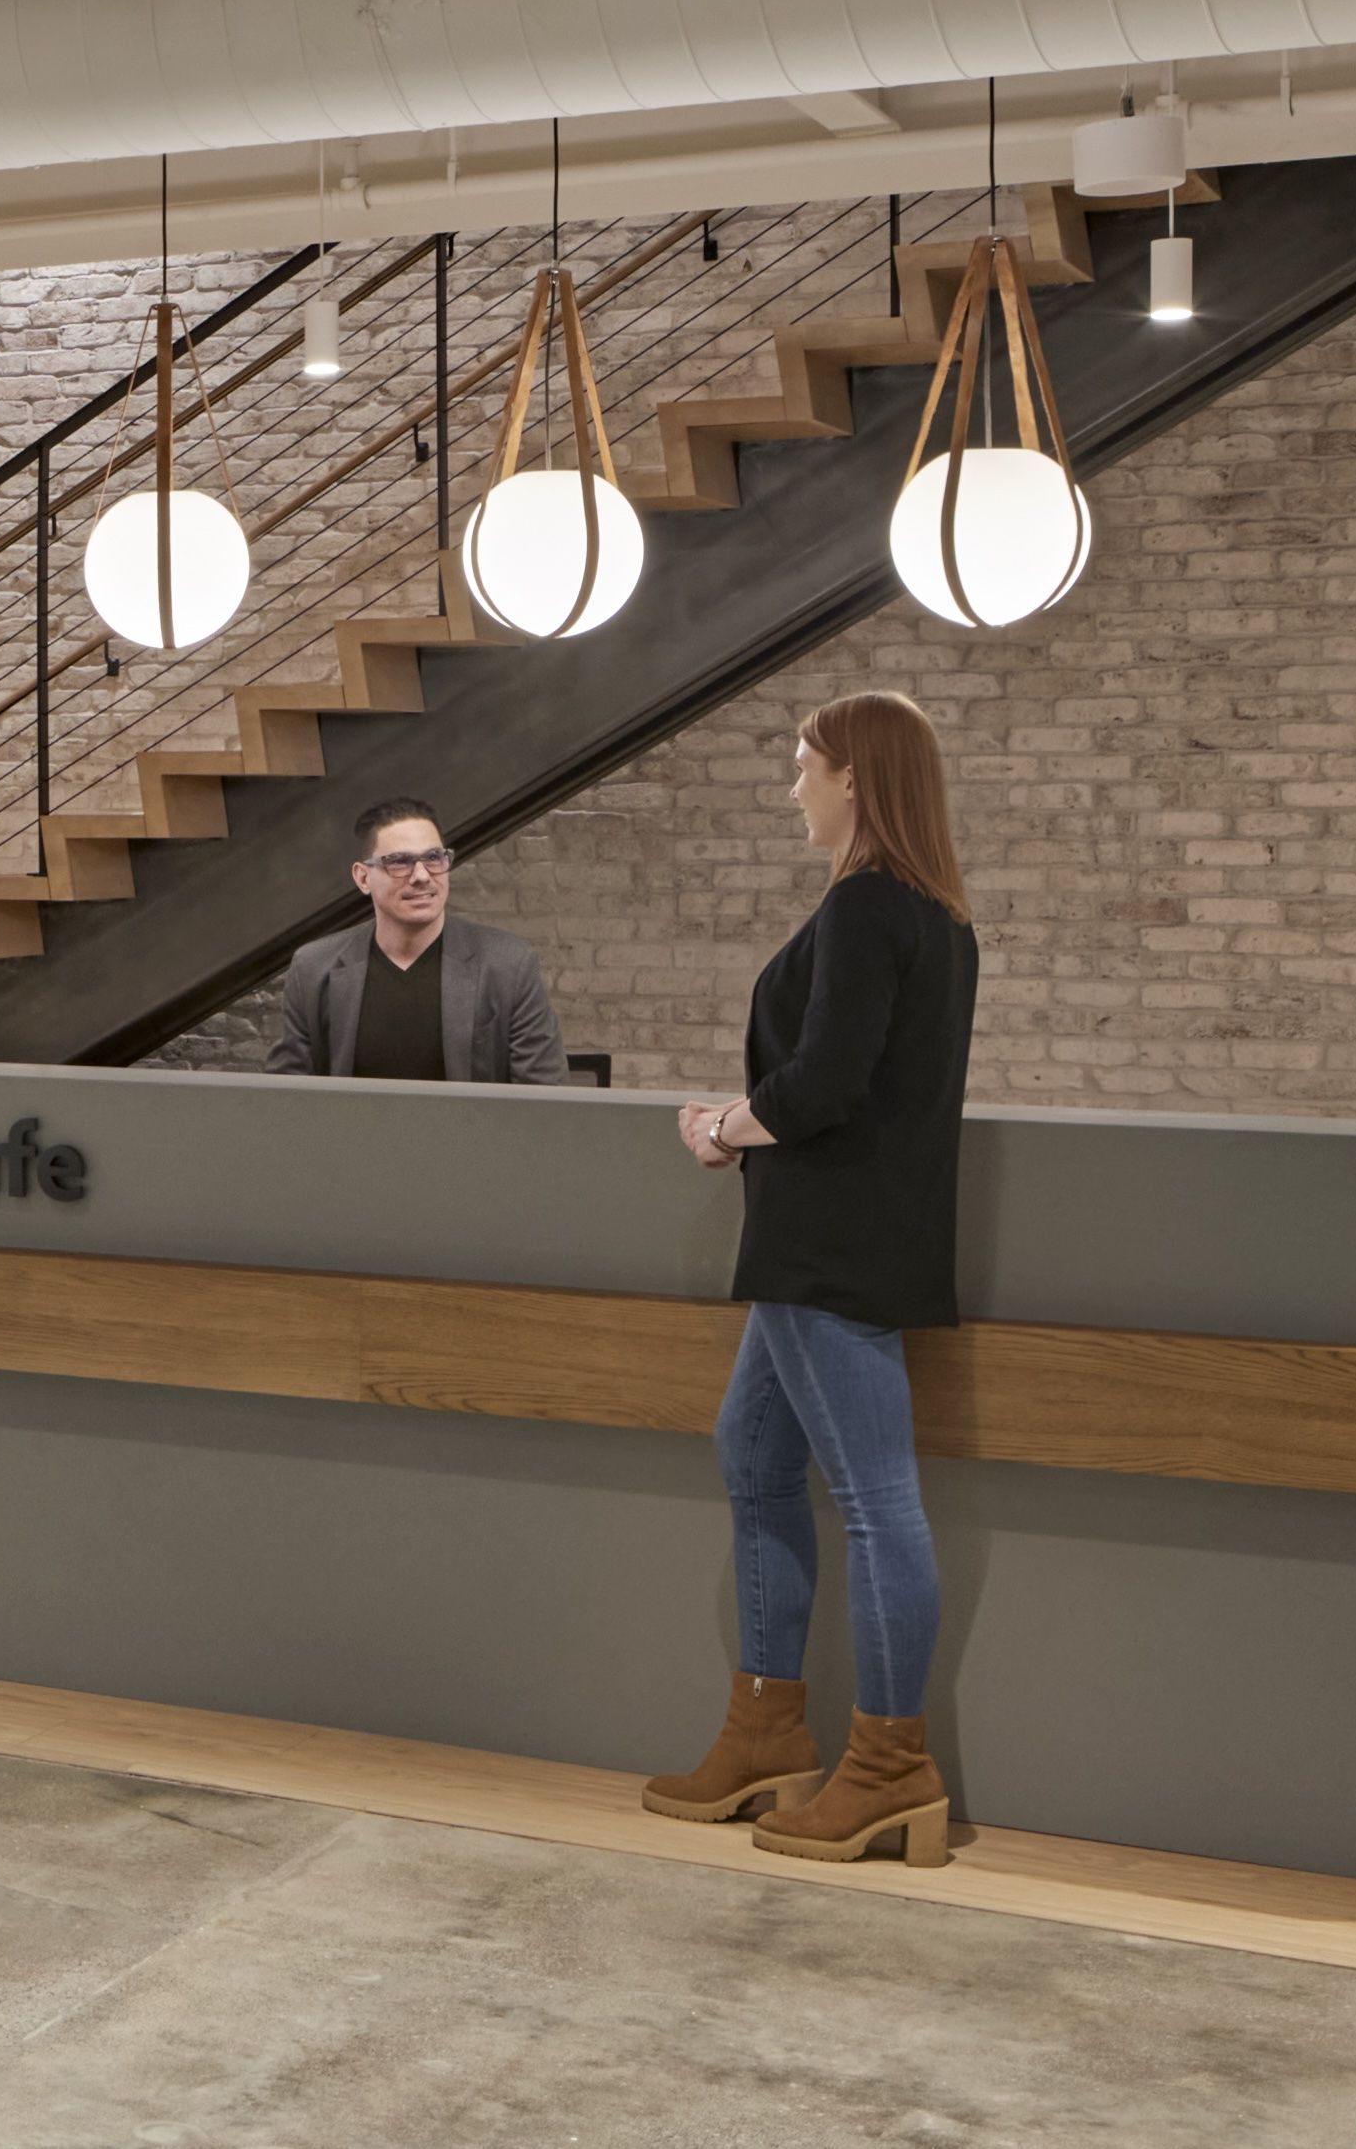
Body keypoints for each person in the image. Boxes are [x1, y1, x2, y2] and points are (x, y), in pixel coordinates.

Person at [642, 691, 980, 1867]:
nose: (794, 786)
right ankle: (767, 1732)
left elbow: (826, 1081)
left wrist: (724, 1124)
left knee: (879, 1501)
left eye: (805, 765)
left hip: (824, 1244)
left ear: (855, 778)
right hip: (842, 1241)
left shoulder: (864, 904)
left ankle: (888, 1764)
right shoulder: (935, 914)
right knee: (752, 1454)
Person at [264, 800, 568, 1083]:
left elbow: (544, 1102)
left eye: (434, 858)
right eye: (399, 862)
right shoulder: (314, 967)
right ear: (363, 878)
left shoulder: (508, 964)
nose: (422, 876)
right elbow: (288, 1101)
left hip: (470, 1140)